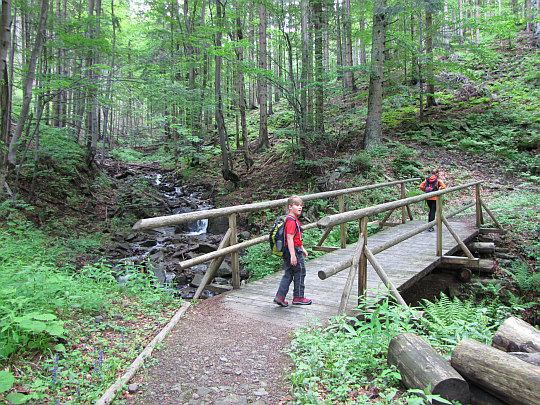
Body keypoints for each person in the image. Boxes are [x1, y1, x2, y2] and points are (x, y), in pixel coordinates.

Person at [274, 195, 311, 307]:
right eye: (296, 205)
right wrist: (293, 255)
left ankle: (280, 297)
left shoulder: (292, 220)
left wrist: (302, 248)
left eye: (301, 205)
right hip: (293, 250)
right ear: (290, 207)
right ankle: (299, 297)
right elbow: (290, 239)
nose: (299, 208)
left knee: (289, 273)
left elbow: (296, 237)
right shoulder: (291, 221)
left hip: (291, 250)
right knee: (300, 271)